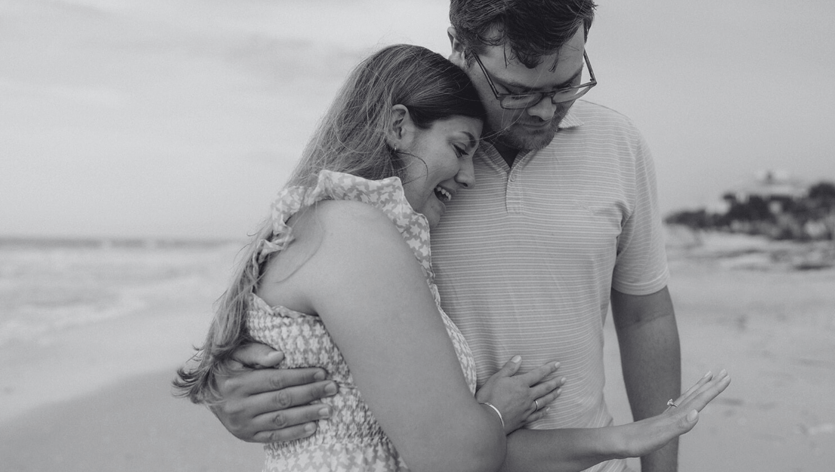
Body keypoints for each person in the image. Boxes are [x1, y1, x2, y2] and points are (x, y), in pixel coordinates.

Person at [200, 2, 732, 471]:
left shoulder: (619, 145)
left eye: (567, 83)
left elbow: (646, 314)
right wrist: (232, 387)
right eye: (519, 91)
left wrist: (660, 467)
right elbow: (288, 289)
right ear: (460, 46)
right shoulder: (399, 183)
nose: (547, 109)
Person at [174, 44, 568, 472]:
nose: (470, 176)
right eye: (460, 148)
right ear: (399, 125)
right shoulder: (351, 229)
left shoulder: (316, 223)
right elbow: (455, 459)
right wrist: (492, 414)